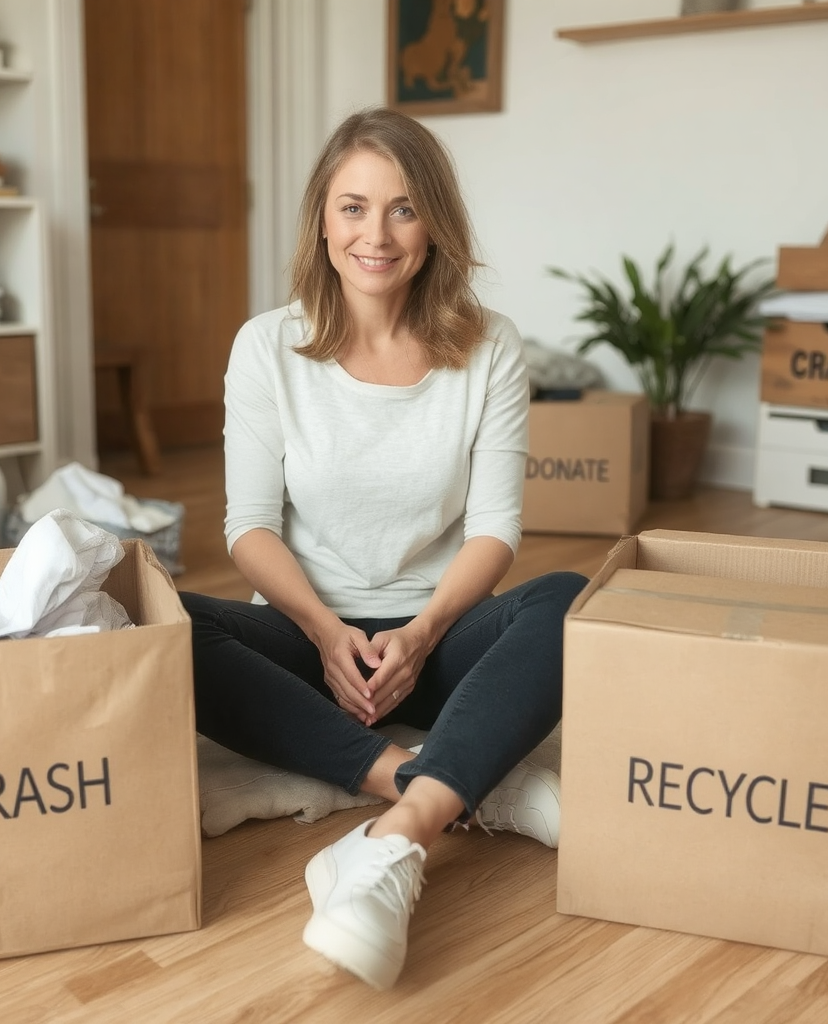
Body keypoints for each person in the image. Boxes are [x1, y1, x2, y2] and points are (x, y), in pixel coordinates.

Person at [180, 106, 587, 991]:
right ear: (322, 221)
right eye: (354, 207)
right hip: (302, 635)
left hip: (435, 637)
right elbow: (247, 527)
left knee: (567, 601)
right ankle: (441, 777)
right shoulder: (267, 346)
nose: (377, 233)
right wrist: (327, 633)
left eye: (403, 208)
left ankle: (398, 835)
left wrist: (426, 630)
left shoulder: (491, 348)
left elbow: (494, 532)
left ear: (434, 223)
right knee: (163, 625)